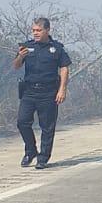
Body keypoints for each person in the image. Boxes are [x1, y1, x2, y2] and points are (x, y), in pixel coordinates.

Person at [12, 16, 71, 169]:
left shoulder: (56, 48)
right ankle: (31, 151)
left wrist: (62, 89)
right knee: (22, 122)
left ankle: (43, 158)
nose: (35, 33)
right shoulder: (27, 46)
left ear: (47, 30)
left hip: (49, 92)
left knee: (47, 126)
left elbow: (64, 67)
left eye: (39, 30)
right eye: (33, 30)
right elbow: (16, 66)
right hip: (29, 91)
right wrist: (20, 56)